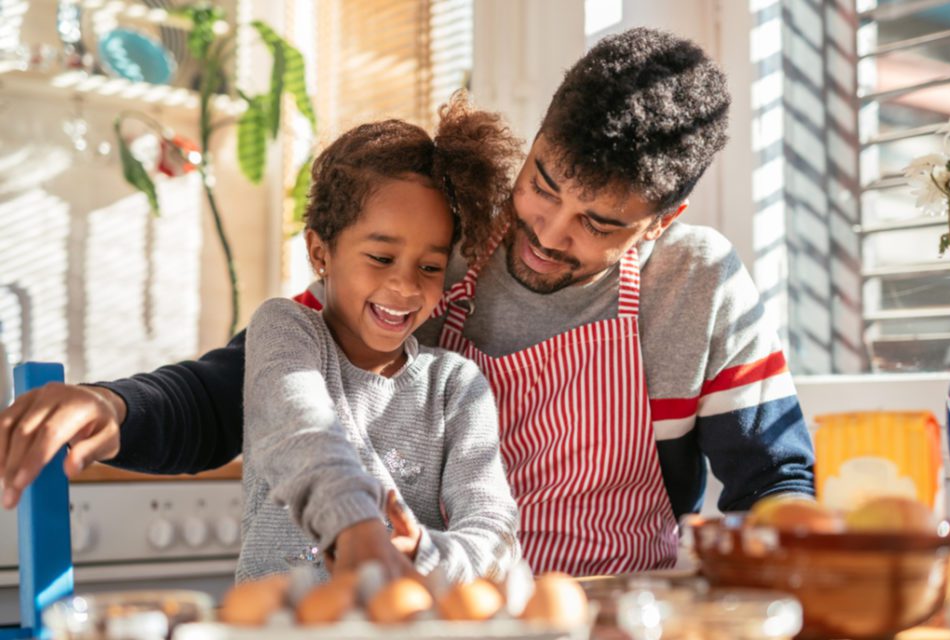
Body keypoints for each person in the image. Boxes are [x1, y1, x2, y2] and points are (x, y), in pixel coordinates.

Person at [0, 28, 814, 577]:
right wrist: (117, 406)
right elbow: (259, 385)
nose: (547, 232)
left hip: (616, 614)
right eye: (543, 184)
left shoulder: (696, 284)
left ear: (661, 222)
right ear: (535, 144)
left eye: (598, 224)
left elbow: (774, 477)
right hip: (444, 615)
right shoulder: (440, 250)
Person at [237, 95, 521, 583]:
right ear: (320, 252)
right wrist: (356, 527)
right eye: (381, 258)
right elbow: (301, 429)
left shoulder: (454, 385)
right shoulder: (285, 330)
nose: (406, 287)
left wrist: (424, 554)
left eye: (430, 267)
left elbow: (494, 529)